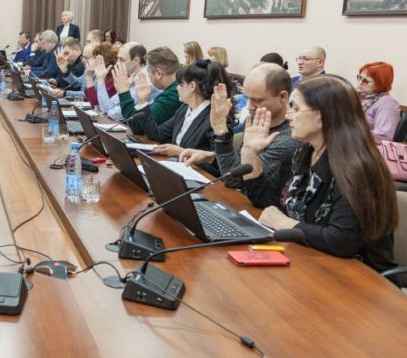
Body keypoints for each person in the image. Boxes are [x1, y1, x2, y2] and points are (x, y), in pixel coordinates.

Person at [241, 76, 397, 272]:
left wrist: (285, 223)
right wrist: (249, 152)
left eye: (296, 108)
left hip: (358, 276)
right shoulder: (302, 153)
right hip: (309, 261)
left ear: (322, 116)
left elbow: (342, 240)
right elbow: (266, 201)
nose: (289, 115)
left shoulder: (358, 168)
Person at [180, 63, 298, 204]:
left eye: (257, 100)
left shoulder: (291, 137)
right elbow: (239, 165)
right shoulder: (256, 118)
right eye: (247, 98)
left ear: (283, 97)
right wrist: (211, 157)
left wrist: (221, 132)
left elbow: (234, 180)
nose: (249, 106)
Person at [119, 61, 231, 162]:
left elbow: (218, 163)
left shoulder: (217, 116)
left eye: (180, 84)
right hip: (175, 166)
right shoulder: (184, 109)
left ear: (192, 86)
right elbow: (157, 134)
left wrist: (181, 152)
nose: (177, 88)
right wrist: (143, 101)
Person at [119, 47, 182, 135]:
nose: (147, 76)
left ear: (158, 73)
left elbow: (137, 126)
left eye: (148, 72)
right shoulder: (173, 89)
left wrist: (124, 92)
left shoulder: (173, 94)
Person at [101, 42, 160, 120]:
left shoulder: (146, 82)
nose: (117, 63)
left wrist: (100, 81)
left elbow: (113, 114)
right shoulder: (130, 77)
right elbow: (107, 107)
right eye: (117, 59)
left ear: (136, 61)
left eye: (121, 60)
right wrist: (100, 79)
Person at [356, 61, 400, 142]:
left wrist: (351, 133)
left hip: (365, 146)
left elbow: (384, 135)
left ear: (380, 84)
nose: (359, 83)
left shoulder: (387, 103)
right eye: (359, 77)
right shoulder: (357, 96)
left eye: (366, 81)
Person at [84, 42, 119, 111]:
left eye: (94, 58)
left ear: (104, 60)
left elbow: (95, 104)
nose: (89, 60)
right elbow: (88, 97)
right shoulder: (101, 74)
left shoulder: (112, 79)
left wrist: (89, 77)